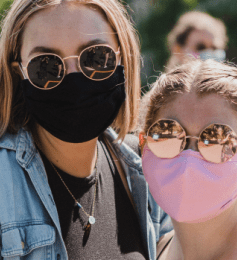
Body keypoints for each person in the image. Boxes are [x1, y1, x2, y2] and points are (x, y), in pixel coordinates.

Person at [0, 0, 172, 259]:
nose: (73, 77)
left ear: (122, 58)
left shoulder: (147, 171)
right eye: (45, 65)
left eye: (96, 57)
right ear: (18, 73)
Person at [139, 59, 237, 259]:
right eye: (168, 133)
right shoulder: (154, 250)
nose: (189, 159)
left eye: (217, 138)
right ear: (143, 144)